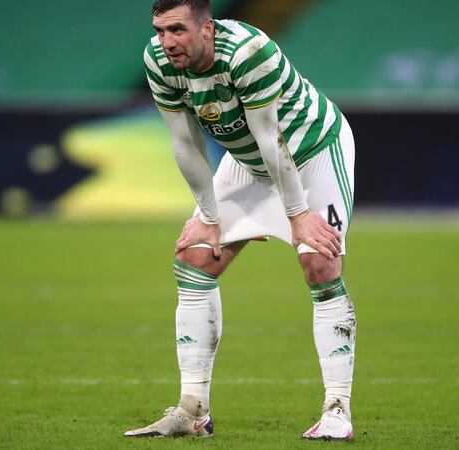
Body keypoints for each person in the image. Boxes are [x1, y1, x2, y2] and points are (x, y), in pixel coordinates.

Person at [124, 0, 356, 440]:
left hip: (312, 152)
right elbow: (184, 144)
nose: (167, 41)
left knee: (319, 261)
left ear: (207, 28)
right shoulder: (159, 61)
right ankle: (192, 411)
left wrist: (299, 217)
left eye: (177, 29)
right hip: (249, 162)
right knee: (195, 256)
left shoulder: (249, 52)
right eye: (160, 30)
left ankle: (337, 410)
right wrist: (209, 218)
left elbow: (274, 141)